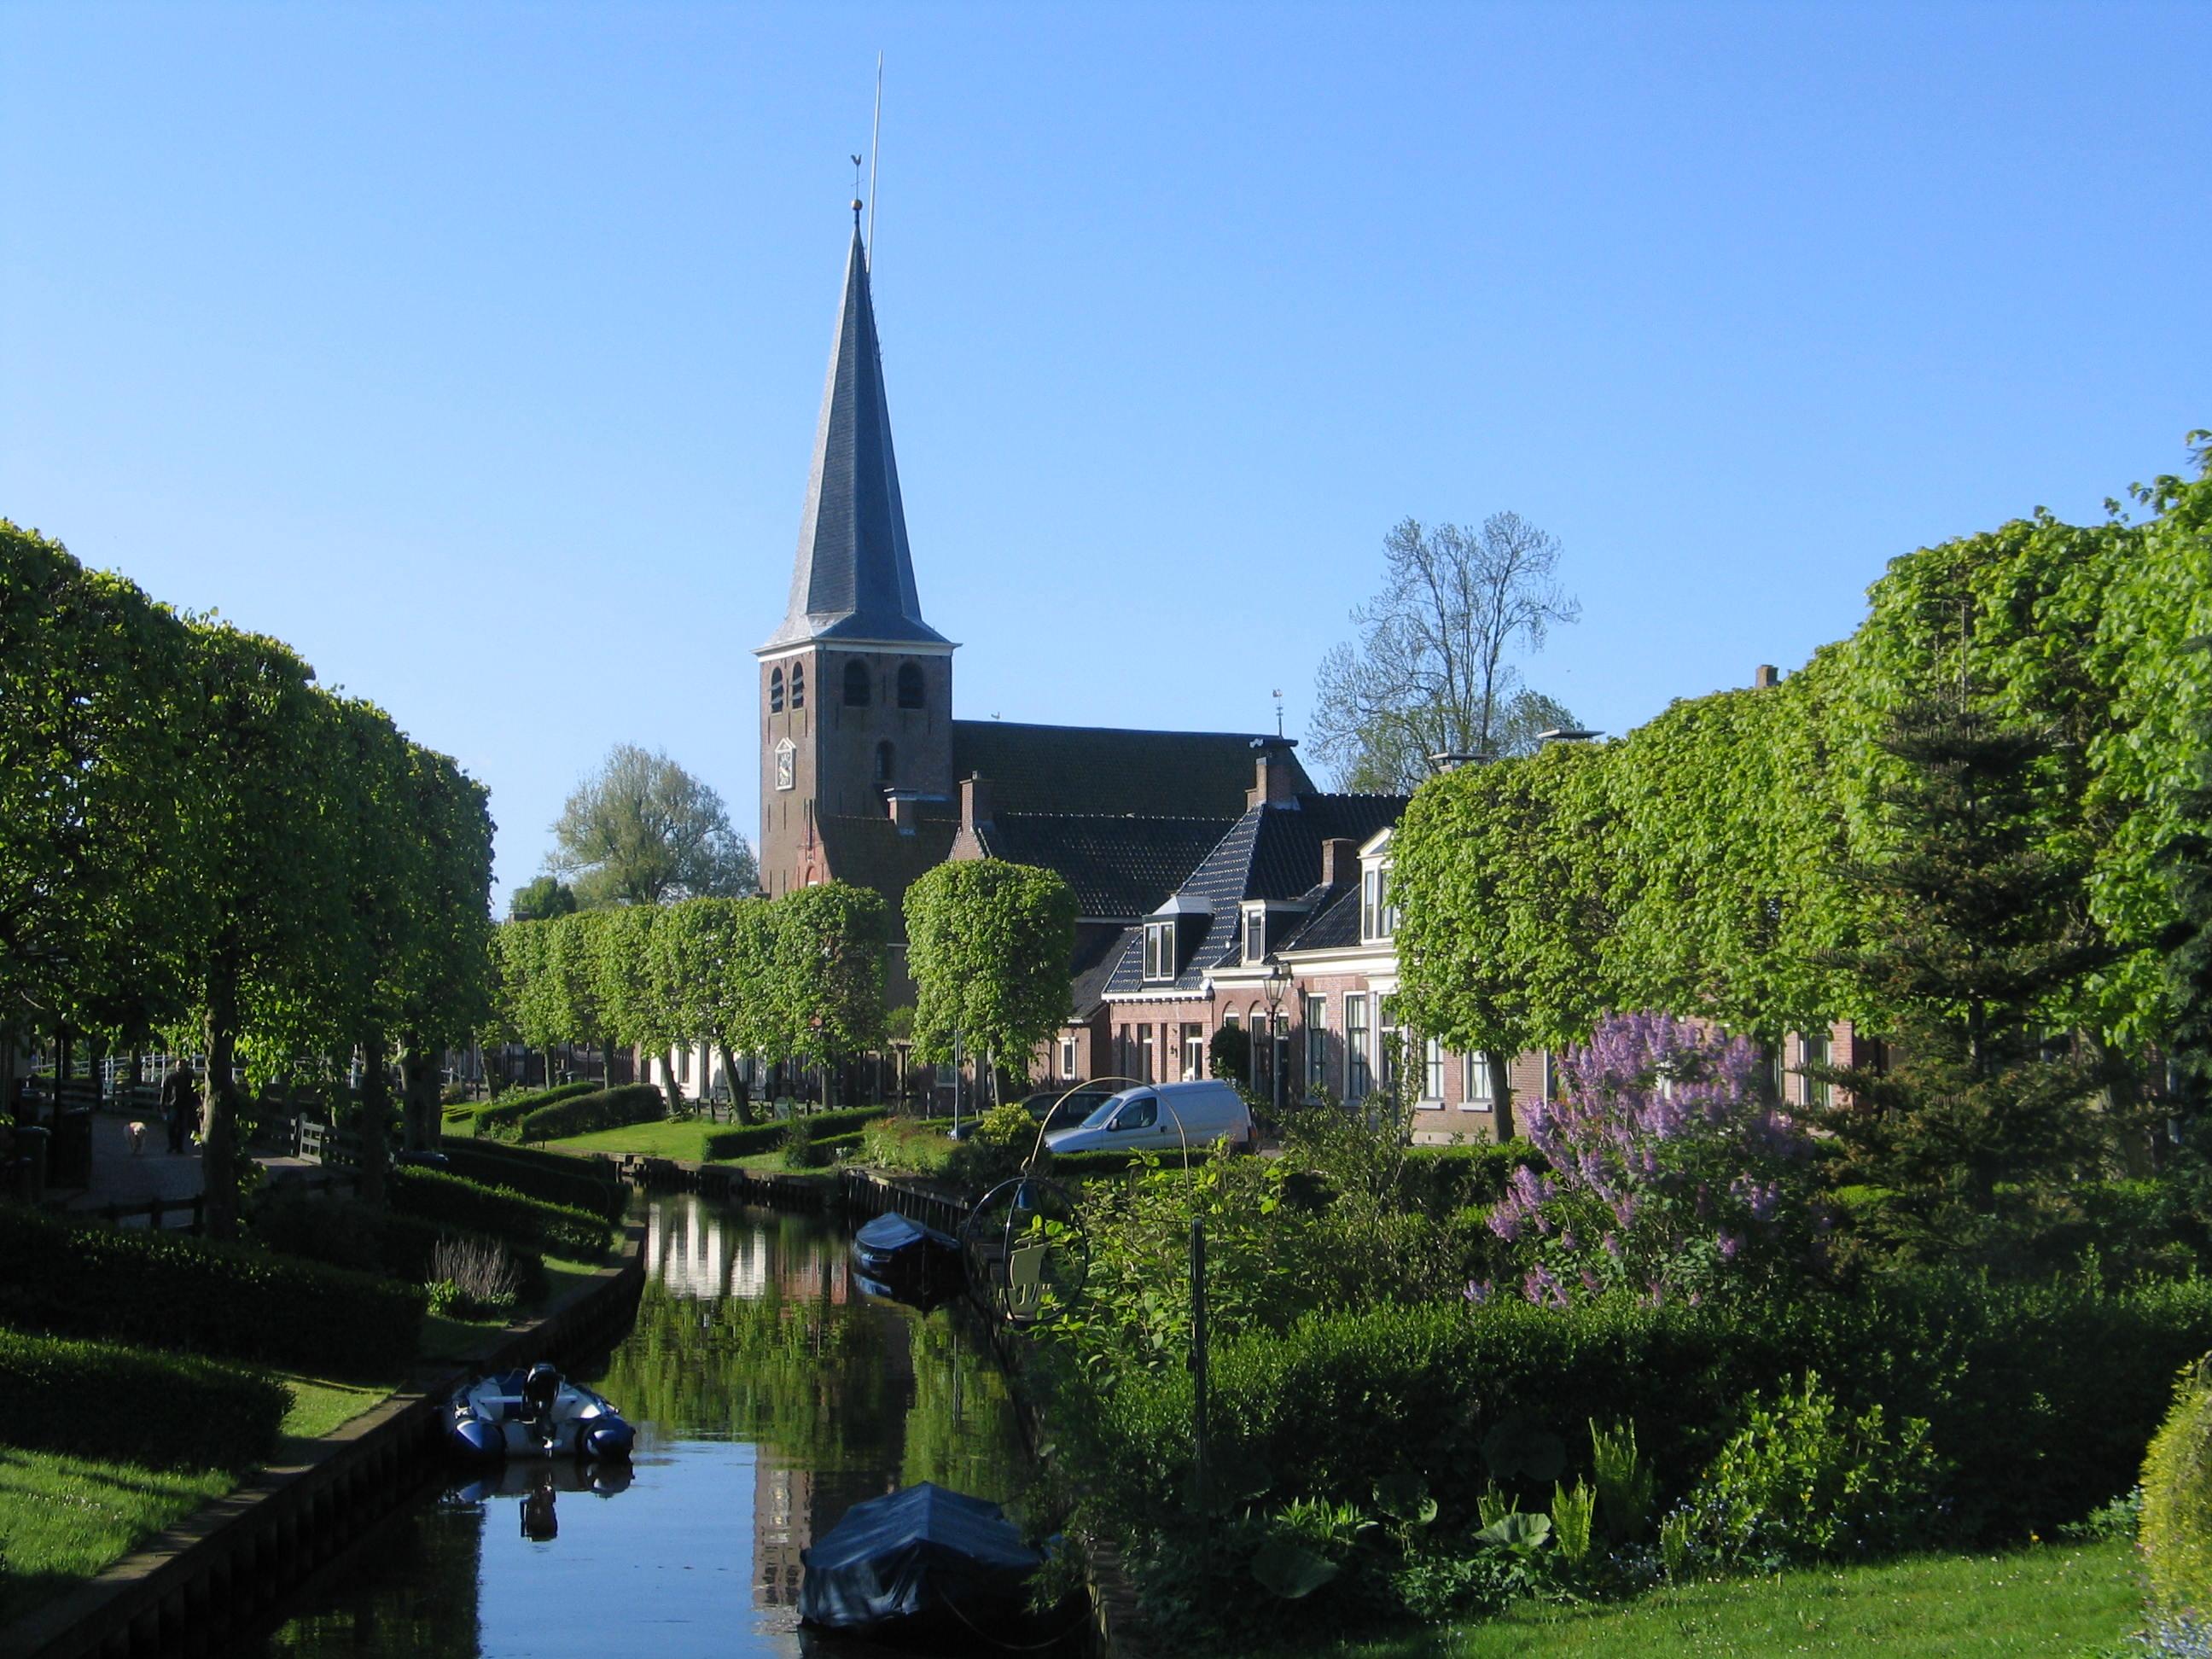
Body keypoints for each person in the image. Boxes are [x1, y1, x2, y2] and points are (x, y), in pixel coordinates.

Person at [160, 1065, 194, 1154]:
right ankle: (172, 1145)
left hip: (184, 1104)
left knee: (182, 1127)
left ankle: (179, 1146)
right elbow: (165, 1090)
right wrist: (163, 1103)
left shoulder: (188, 1078)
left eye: (182, 1066)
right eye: (179, 1066)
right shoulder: (171, 1077)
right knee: (171, 1126)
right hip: (173, 1104)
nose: (180, 1068)